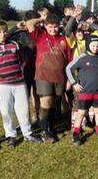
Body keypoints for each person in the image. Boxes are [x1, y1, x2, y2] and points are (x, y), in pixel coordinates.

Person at [0, 21, 43, 147]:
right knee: (6, 111)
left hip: (19, 83)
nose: (3, 34)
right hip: (2, 85)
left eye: (5, 31)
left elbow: (23, 59)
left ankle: (27, 133)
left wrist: (20, 73)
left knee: (23, 110)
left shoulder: (15, 44)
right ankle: (10, 135)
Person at [27, 12, 72, 142]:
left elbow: (69, 61)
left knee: (54, 104)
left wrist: (69, 78)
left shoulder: (64, 40)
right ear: (45, 26)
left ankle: (52, 129)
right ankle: (44, 131)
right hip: (43, 76)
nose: (53, 29)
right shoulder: (40, 35)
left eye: (56, 26)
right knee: (45, 103)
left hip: (59, 77)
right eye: (50, 27)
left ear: (60, 26)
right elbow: (30, 23)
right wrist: (42, 18)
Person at [66, 35, 98, 145]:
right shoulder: (82, 57)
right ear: (88, 45)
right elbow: (68, 68)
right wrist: (74, 83)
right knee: (81, 112)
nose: (95, 48)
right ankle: (76, 133)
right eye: (93, 45)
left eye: (97, 46)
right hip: (85, 91)